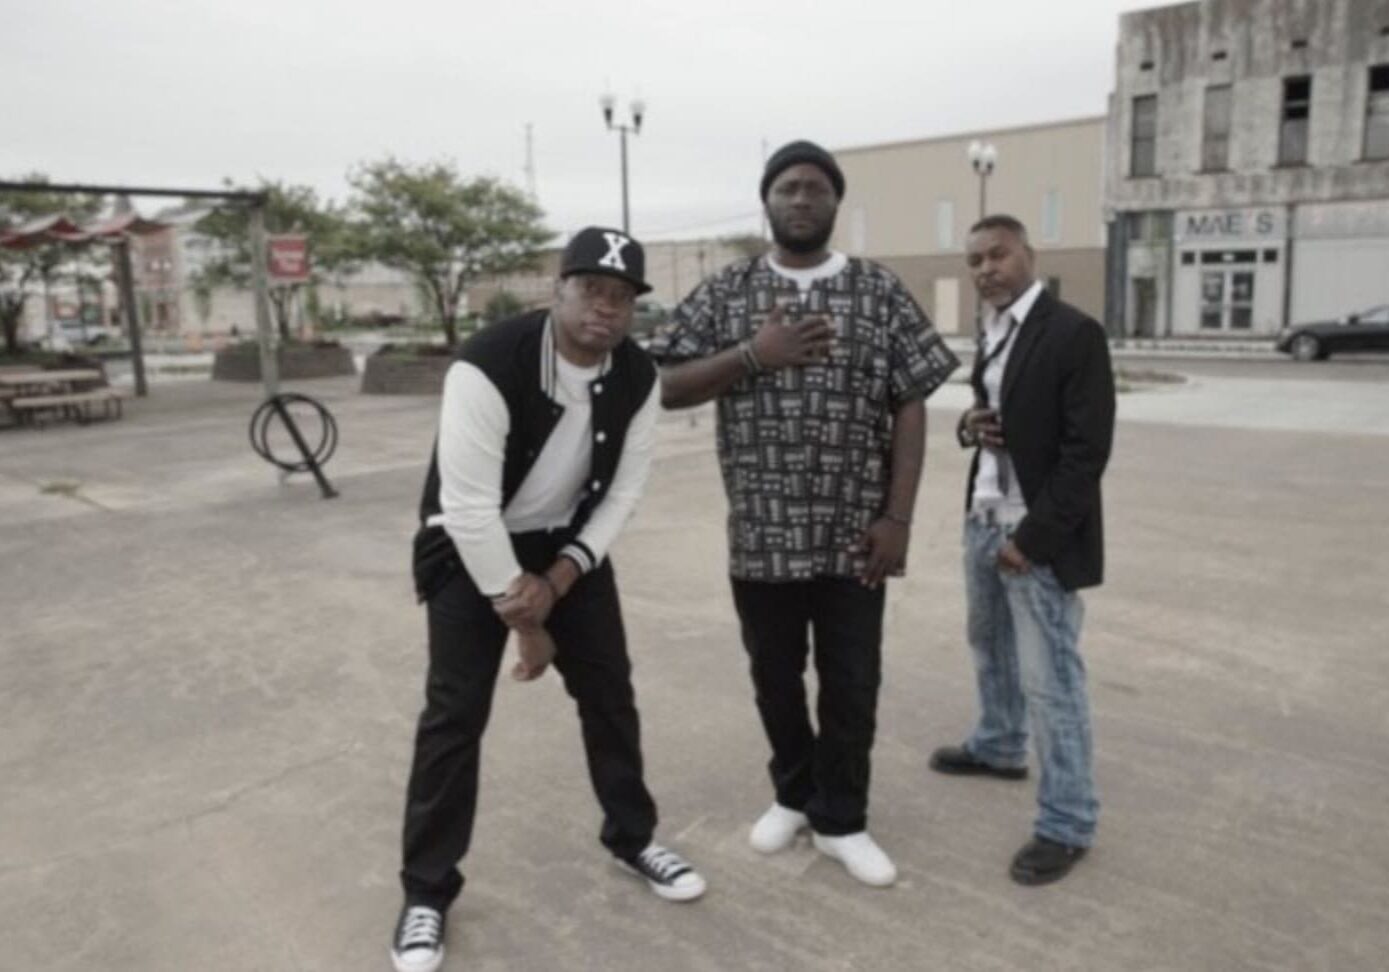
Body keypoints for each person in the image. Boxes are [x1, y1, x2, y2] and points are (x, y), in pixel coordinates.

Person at [393, 227, 706, 972]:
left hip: (567, 548)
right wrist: (527, 623)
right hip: (471, 542)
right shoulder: (486, 364)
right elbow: (467, 508)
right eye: (591, 289)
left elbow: (624, 492)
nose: (606, 307)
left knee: (609, 695)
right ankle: (426, 894)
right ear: (557, 290)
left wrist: (560, 579)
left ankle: (632, 838)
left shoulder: (636, 375)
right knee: (454, 714)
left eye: (622, 297)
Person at [649, 141, 959, 888]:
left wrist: (899, 517)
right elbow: (666, 384)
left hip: (856, 535)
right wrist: (755, 354)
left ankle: (842, 820)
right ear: (766, 200)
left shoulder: (877, 291)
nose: (799, 199)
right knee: (775, 677)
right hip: (761, 532)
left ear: (834, 203)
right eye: (786, 187)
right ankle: (794, 795)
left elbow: (911, 400)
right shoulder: (728, 292)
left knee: (853, 681)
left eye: (814, 188)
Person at [928, 214, 1115, 886]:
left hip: (1033, 534)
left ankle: (1067, 822)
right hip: (983, 518)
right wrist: (968, 423)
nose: (984, 269)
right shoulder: (994, 333)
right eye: (974, 260)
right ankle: (999, 745)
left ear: (1027, 255)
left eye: (996, 255)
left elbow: (1084, 454)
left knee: (1051, 680)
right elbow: (998, 418)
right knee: (989, 648)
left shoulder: (1073, 333)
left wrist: (1030, 541)